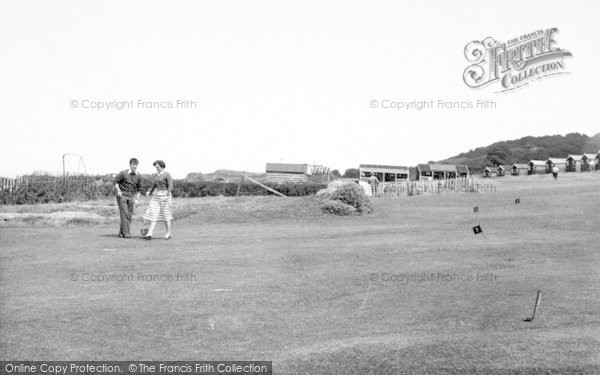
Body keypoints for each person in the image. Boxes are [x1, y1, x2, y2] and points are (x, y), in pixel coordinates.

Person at [142, 160, 173, 240]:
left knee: (166, 215)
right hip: (156, 196)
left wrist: (167, 194)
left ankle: (168, 233)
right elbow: (154, 185)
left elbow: (170, 186)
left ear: (162, 166)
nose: (156, 168)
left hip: (165, 196)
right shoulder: (156, 175)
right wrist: (149, 191)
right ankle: (149, 233)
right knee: (153, 213)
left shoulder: (167, 174)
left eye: (157, 167)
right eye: (156, 167)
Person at [113, 158, 143, 238]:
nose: (134, 166)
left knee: (129, 215)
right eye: (133, 164)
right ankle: (126, 233)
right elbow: (115, 181)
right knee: (124, 214)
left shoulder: (139, 176)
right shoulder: (123, 173)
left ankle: (122, 233)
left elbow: (139, 189)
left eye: (136, 165)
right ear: (130, 165)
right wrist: (118, 190)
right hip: (122, 195)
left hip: (131, 196)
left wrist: (137, 199)